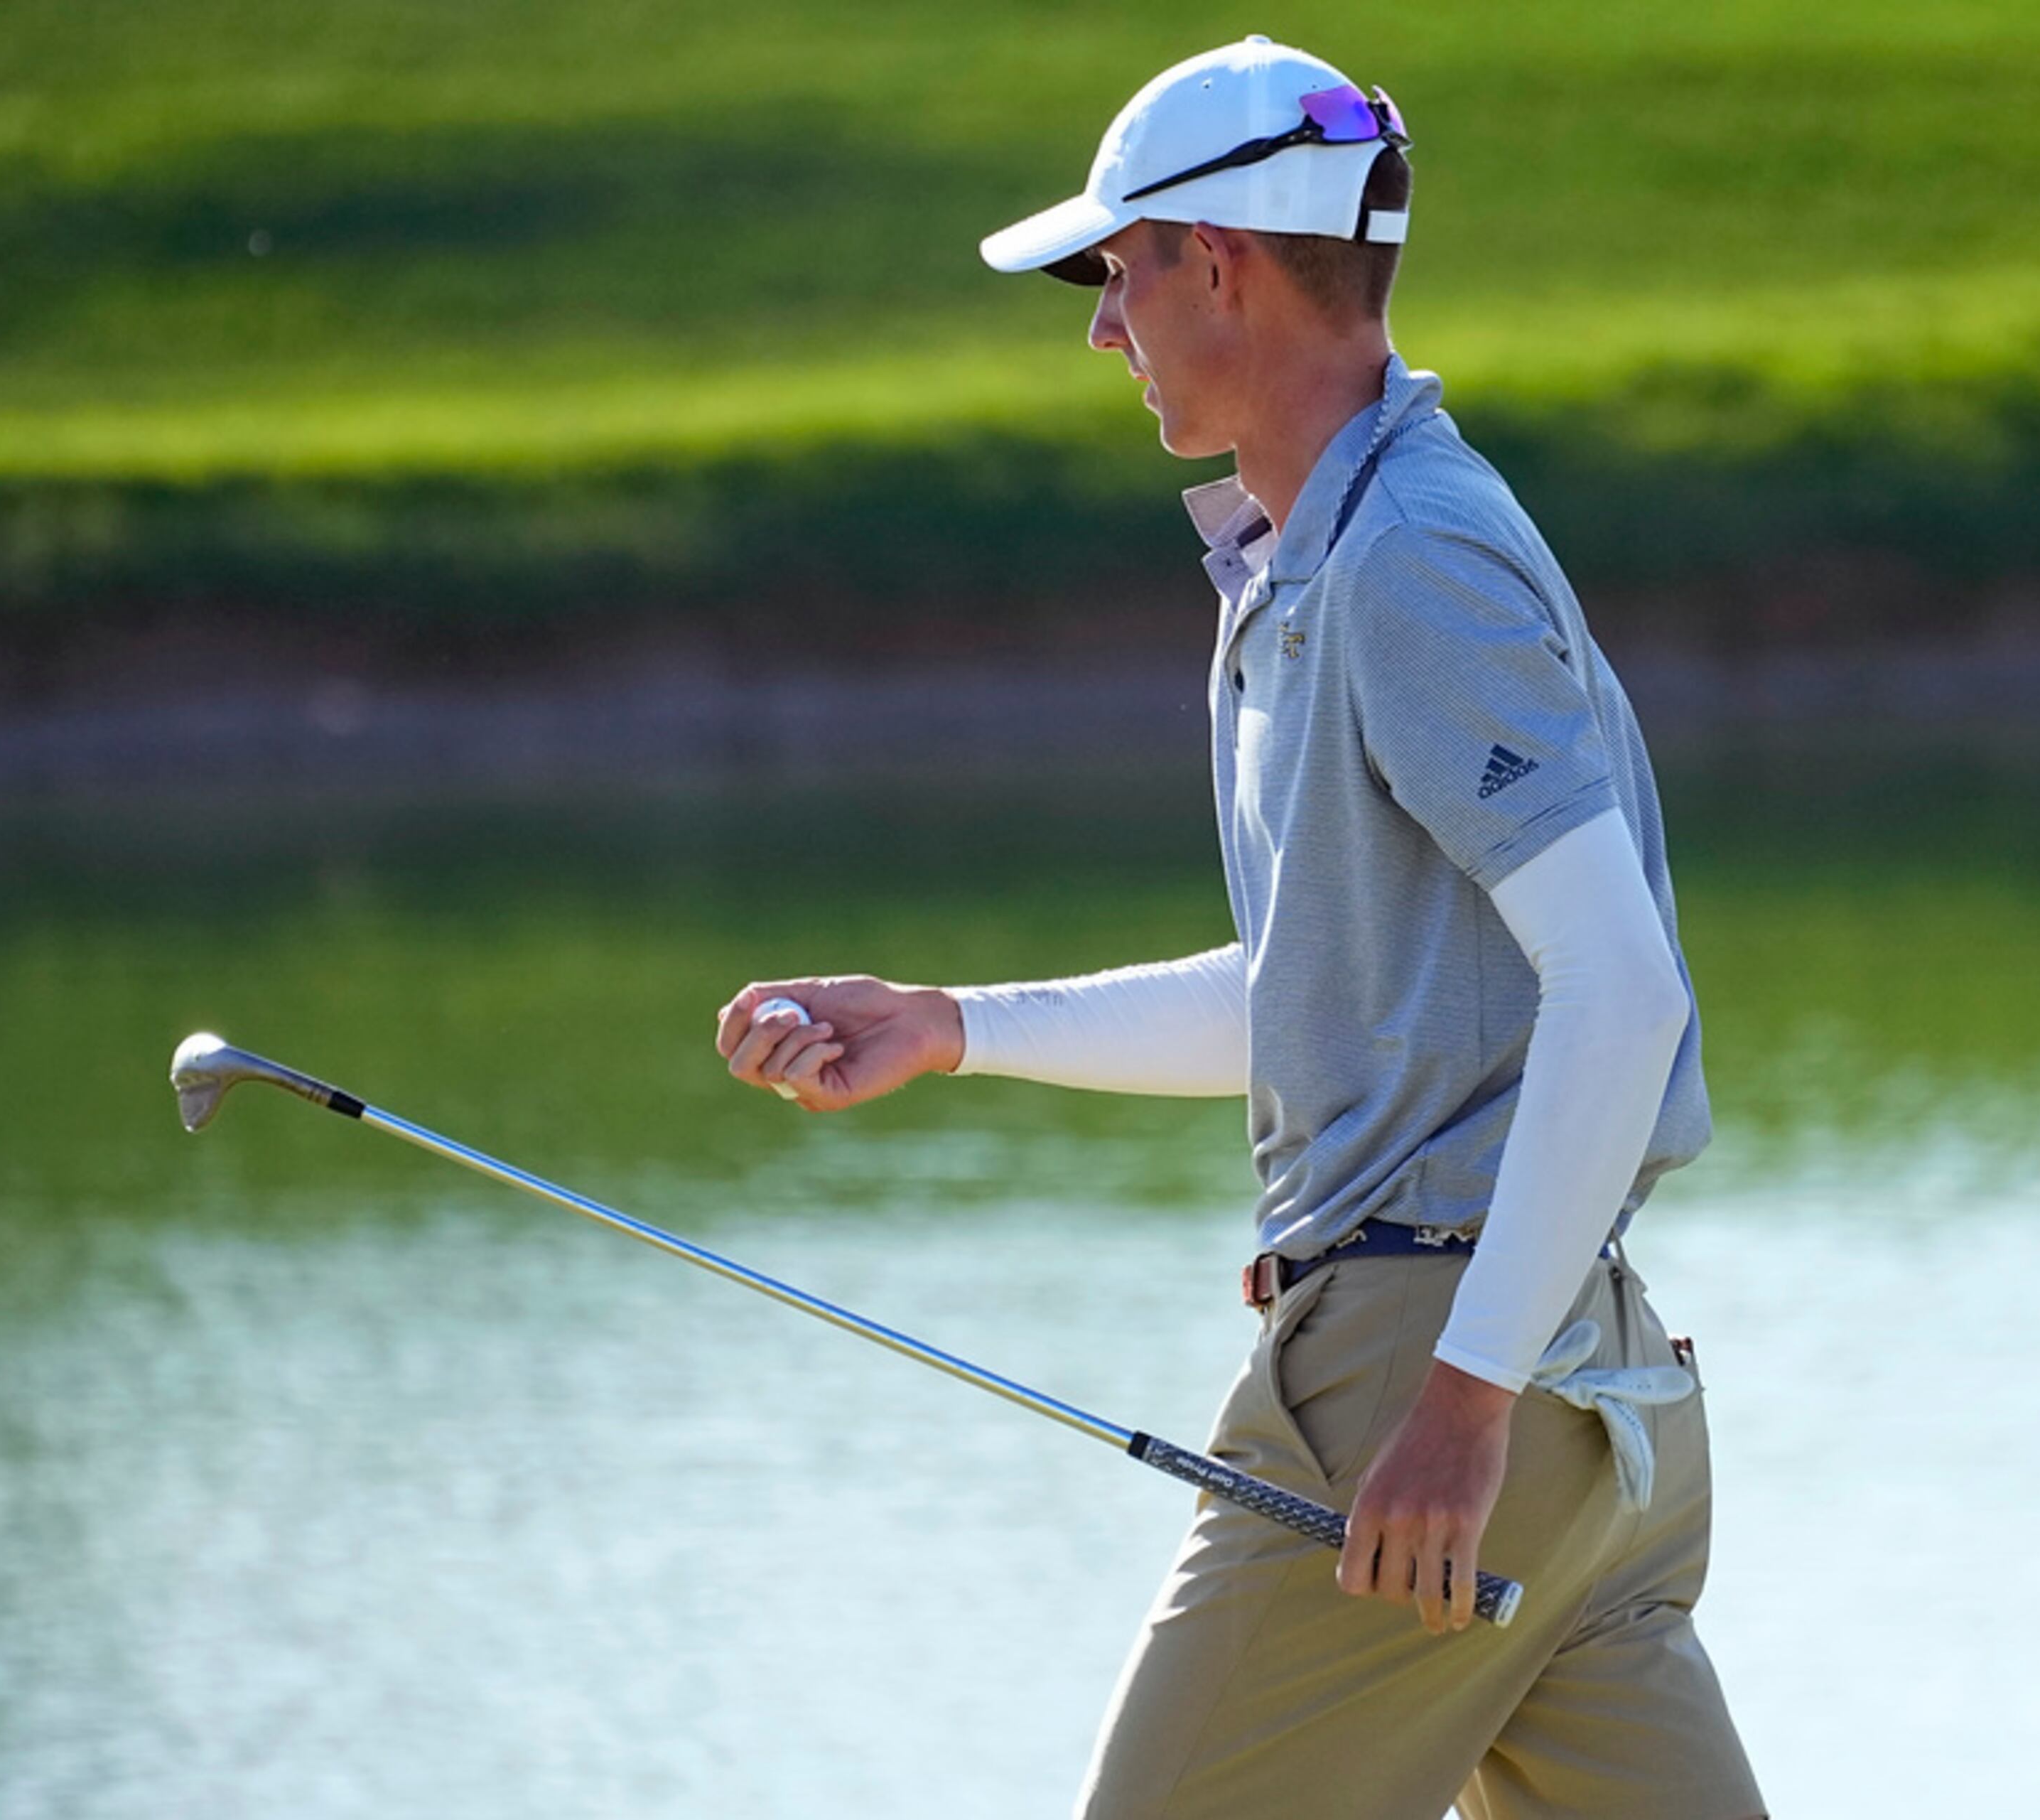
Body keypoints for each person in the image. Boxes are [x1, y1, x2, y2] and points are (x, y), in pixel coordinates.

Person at [714, 36, 1767, 1820]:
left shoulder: (1406, 561)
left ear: (1219, 261)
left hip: (1436, 1389)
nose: (1102, 327)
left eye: (1118, 272)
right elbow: (1323, 1002)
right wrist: (955, 1022)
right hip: (1588, 1413)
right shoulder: (1322, 557)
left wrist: (1455, 1404)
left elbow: (1625, 990)